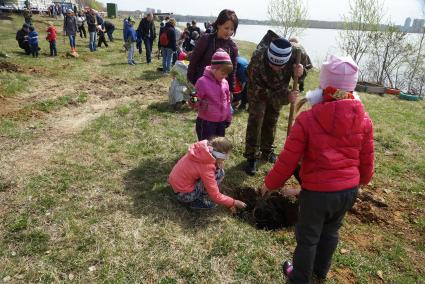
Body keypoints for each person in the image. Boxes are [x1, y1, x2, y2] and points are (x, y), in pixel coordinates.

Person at [259, 55, 375, 284]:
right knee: (331, 232)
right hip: (348, 191)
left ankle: (300, 276)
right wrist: (363, 180)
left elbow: (287, 160)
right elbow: (367, 157)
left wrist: (270, 184)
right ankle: (320, 272)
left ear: (323, 85)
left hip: (317, 194)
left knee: (308, 237)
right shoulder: (364, 119)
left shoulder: (308, 119)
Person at [243, 34, 307, 176]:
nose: (276, 68)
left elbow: (301, 77)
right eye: (272, 64)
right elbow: (258, 90)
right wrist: (285, 97)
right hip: (258, 91)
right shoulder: (257, 58)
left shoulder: (295, 55)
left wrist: (300, 73)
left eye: (280, 66)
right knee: (256, 120)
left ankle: (267, 151)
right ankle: (252, 157)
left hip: (279, 88)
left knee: (271, 120)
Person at [168, 136, 247, 210]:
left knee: (219, 171)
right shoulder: (206, 168)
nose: (225, 160)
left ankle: (192, 194)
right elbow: (215, 196)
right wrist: (233, 202)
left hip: (175, 184)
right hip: (184, 194)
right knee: (220, 174)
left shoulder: (201, 151)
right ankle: (195, 201)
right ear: (219, 155)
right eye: (225, 158)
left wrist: (216, 165)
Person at [187, 9, 239, 92]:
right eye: (226, 28)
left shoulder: (233, 47)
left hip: (219, 90)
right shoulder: (206, 39)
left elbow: (232, 72)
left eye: (232, 29)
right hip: (201, 86)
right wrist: (190, 82)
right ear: (218, 24)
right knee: (196, 103)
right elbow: (193, 61)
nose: (229, 32)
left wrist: (231, 91)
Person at [191, 48, 233, 141]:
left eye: (227, 74)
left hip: (221, 122)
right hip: (206, 122)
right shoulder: (202, 82)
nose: (225, 76)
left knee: (217, 146)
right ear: (214, 69)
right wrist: (193, 102)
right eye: (223, 73)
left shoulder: (225, 82)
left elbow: (228, 101)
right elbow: (195, 96)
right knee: (206, 146)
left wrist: (228, 117)